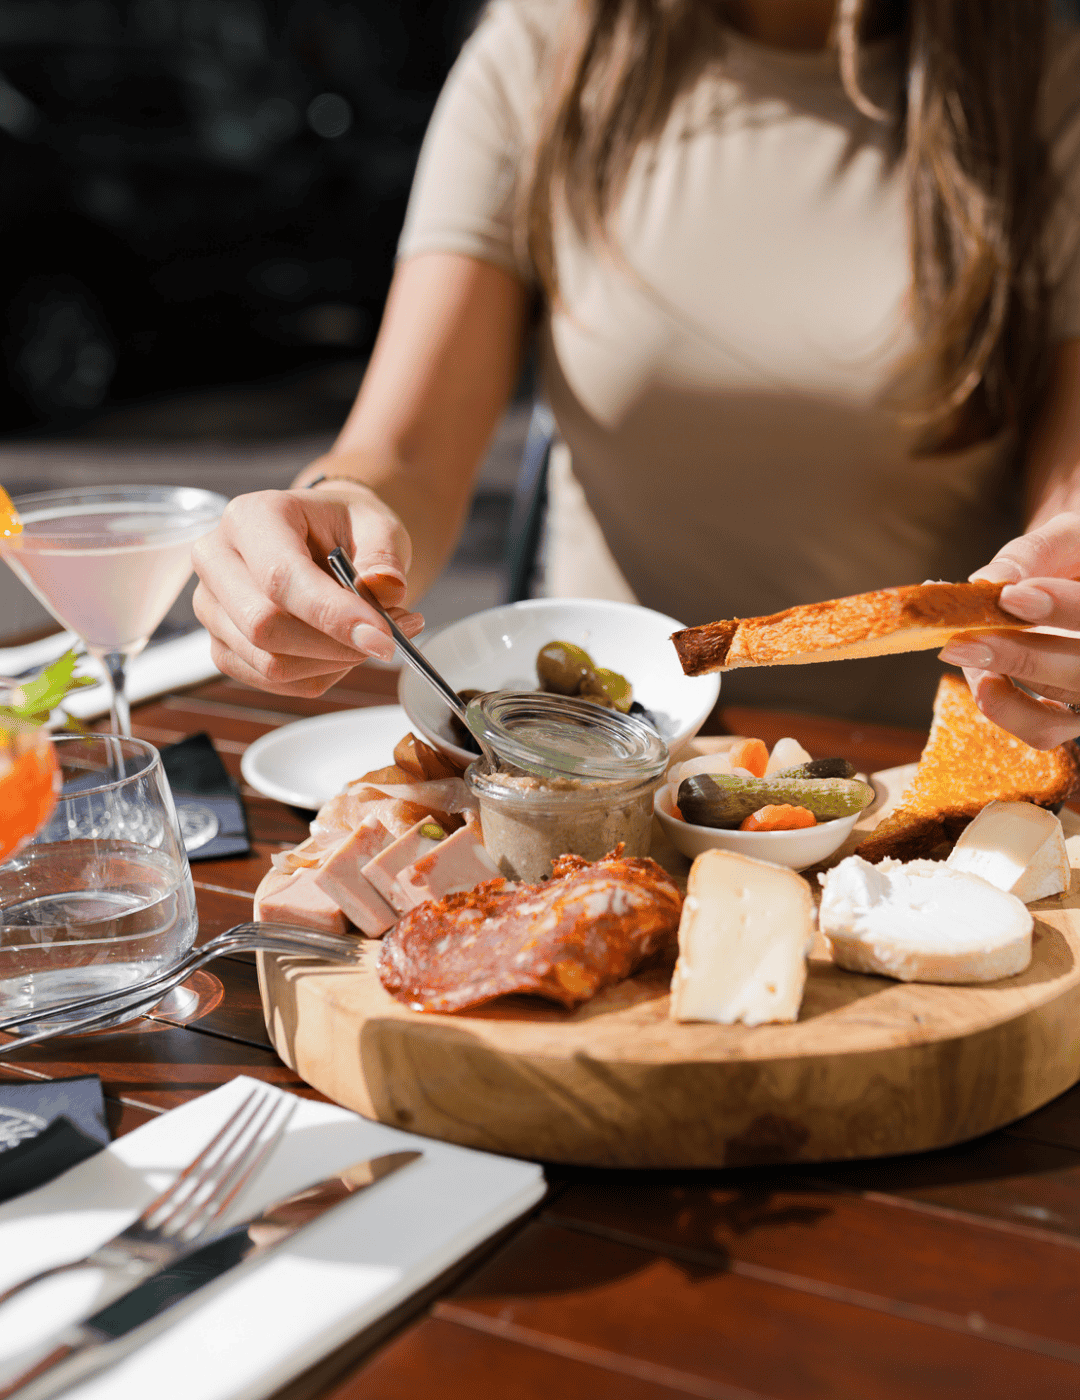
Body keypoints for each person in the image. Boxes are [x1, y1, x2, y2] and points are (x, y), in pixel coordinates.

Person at [192, 0, 1080, 744]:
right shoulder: (542, 50)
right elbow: (405, 457)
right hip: (605, 759)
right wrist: (337, 529)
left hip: (926, 765)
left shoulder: (1043, 80)